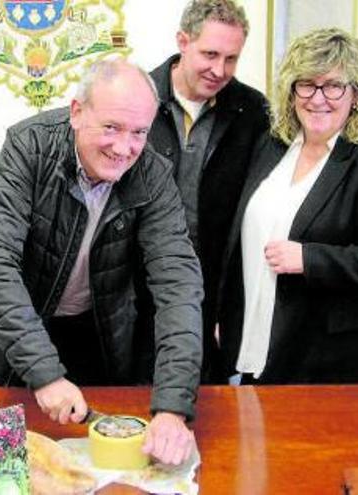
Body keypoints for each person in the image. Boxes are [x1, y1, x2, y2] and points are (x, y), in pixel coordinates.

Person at [0, 59, 203, 465]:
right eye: (111, 127)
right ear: (77, 112)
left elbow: (178, 284)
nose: (124, 147)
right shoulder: (29, 146)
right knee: (14, 467)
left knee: (94, 464)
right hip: (19, 332)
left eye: (139, 133)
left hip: (99, 334)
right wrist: (44, 373)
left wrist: (171, 408)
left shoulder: (153, 173)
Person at [218, 28, 358, 385]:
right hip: (257, 341)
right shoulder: (271, 147)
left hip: (334, 359)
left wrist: (310, 258)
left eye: (333, 86)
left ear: (356, 95)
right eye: (306, 84)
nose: (318, 98)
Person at [147, 0, 270, 383]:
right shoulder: (139, 97)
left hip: (213, 293)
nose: (220, 70)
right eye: (210, 54)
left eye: (231, 58)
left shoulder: (254, 111)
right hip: (141, 286)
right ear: (183, 41)